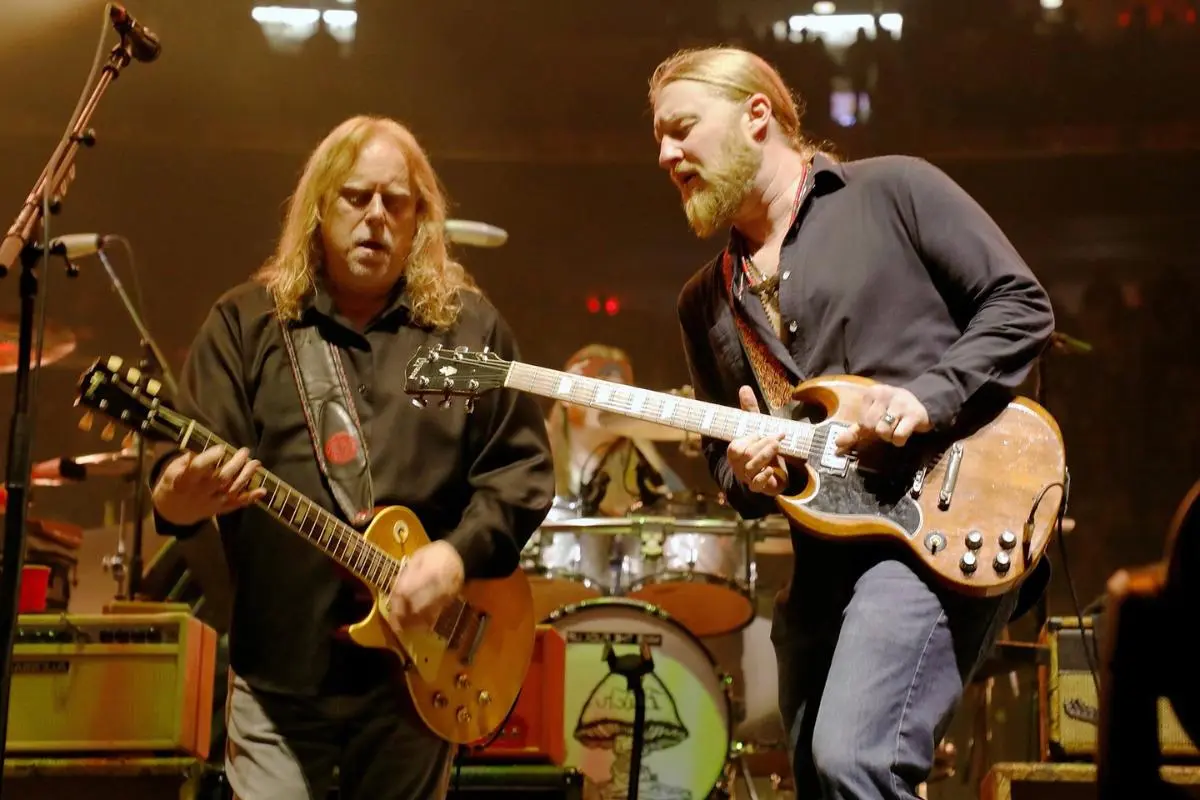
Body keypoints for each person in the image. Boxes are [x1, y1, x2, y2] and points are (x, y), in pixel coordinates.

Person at [649, 47, 1056, 798]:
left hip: (943, 528)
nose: (668, 153)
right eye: (660, 141)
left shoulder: (894, 190)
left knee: (854, 762)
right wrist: (743, 471)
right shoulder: (704, 302)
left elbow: (1021, 304)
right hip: (823, 565)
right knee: (814, 774)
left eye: (682, 128)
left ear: (756, 115)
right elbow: (724, 461)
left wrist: (927, 396)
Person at [148, 115, 555, 800]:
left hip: (417, 677)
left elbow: (521, 472)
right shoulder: (245, 325)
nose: (375, 218)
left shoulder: (469, 330)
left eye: (395, 202)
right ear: (317, 207)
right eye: (355, 197)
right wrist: (175, 499)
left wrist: (454, 559)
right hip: (281, 677)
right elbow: (175, 477)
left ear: (422, 219)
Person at [545, 343, 687, 518]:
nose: (614, 401)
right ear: (567, 394)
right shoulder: (536, 453)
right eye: (603, 383)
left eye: (622, 388)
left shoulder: (647, 469)